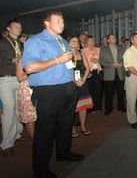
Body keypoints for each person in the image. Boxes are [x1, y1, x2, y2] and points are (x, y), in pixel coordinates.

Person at [22, 11, 84, 178]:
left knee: (65, 126)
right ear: (47, 23)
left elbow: (68, 65)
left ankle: (64, 153)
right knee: (45, 132)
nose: (62, 24)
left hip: (67, 88)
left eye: (63, 21)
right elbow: (29, 68)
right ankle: (40, 170)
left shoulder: (63, 41)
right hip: (48, 91)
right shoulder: (35, 41)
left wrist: (74, 81)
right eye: (58, 21)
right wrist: (57, 60)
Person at [0, 19, 24, 157]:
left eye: (20, 26)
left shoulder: (20, 44)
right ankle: (6, 144)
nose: (19, 28)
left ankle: (16, 133)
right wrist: (12, 60)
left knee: (17, 109)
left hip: (18, 78)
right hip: (5, 79)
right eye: (16, 26)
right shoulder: (2, 42)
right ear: (8, 29)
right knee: (9, 111)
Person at [68, 36, 93, 138]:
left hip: (82, 82)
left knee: (83, 106)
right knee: (71, 107)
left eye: (76, 41)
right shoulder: (66, 54)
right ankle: (72, 129)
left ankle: (83, 127)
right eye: (72, 41)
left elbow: (87, 68)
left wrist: (83, 80)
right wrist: (75, 81)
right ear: (68, 42)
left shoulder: (81, 53)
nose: (75, 42)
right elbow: (67, 70)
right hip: (70, 82)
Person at [99, 34, 126, 115]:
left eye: (115, 37)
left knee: (121, 91)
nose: (114, 39)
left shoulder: (120, 48)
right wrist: (111, 65)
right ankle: (108, 108)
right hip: (109, 73)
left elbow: (125, 58)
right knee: (108, 93)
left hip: (120, 72)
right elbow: (101, 61)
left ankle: (121, 107)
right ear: (108, 40)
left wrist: (122, 63)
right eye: (112, 38)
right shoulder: (104, 49)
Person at [16, 58, 36, 139]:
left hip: (42, 87)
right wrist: (36, 70)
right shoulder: (22, 59)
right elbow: (19, 78)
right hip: (27, 88)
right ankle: (35, 141)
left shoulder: (42, 56)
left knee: (43, 115)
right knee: (29, 117)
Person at [82, 36, 103, 112]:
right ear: (86, 42)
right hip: (88, 72)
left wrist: (97, 61)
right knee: (89, 90)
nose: (91, 42)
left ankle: (97, 107)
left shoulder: (98, 49)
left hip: (97, 71)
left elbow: (102, 60)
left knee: (98, 89)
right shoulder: (83, 50)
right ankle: (90, 108)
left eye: (93, 41)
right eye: (89, 41)